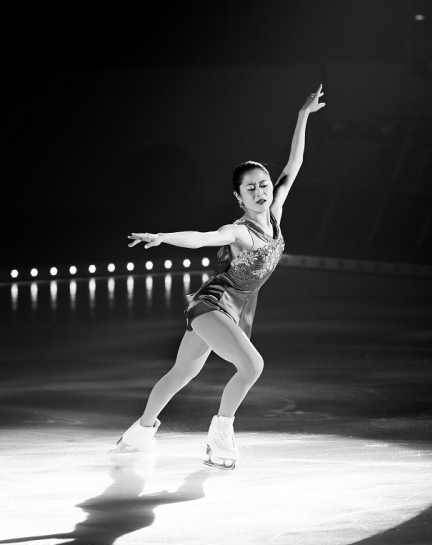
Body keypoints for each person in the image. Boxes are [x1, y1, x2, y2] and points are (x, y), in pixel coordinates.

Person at [112, 85, 326, 470]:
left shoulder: (275, 212)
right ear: (238, 197)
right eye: (251, 188)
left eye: (263, 184)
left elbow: (293, 165)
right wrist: (163, 237)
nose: (261, 191)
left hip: (239, 307)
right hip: (213, 304)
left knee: (182, 371)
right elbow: (202, 239)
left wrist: (302, 116)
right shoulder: (239, 230)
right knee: (252, 366)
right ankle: (220, 433)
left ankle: (138, 434)